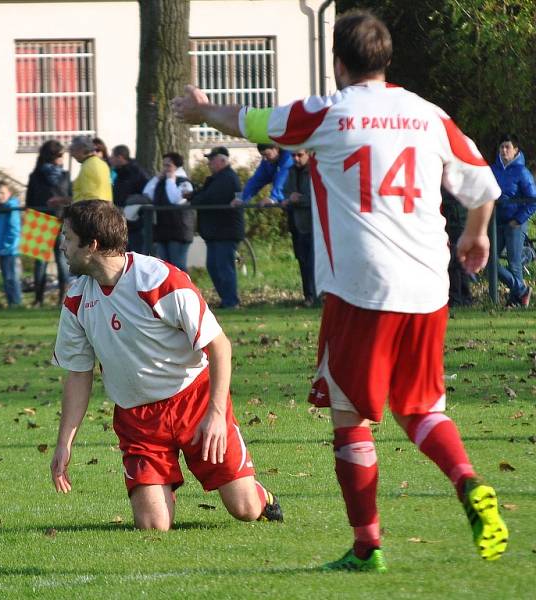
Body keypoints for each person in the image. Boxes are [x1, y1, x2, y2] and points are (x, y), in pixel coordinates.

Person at [173, 9, 507, 571]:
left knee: (350, 416)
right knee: (422, 407)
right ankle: (468, 480)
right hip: (428, 284)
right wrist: (476, 238)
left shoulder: (329, 112)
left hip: (362, 287)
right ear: (387, 59)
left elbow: (252, 123)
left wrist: (202, 109)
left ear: (339, 61)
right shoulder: (428, 115)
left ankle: (366, 546)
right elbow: (482, 185)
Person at [50, 199, 283, 531]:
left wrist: (216, 414)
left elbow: (219, 346)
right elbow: (78, 374)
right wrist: (64, 443)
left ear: (93, 245)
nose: (62, 245)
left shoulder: (158, 280)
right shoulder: (76, 299)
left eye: (68, 238)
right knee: (153, 525)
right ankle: (161, 494)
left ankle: (263, 497)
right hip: (138, 419)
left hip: (195, 403)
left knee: (245, 509)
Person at [190, 146, 243, 309]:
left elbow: (209, 198)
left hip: (225, 231)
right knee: (214, 266)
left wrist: (196, 198)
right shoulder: (217, 178)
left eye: (212, 160)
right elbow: (204, 196)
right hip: (216, 232)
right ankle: (226, 299)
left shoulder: (227, 179)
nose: (209, 164)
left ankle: (231, 301)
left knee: (223, 267)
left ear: (222, 161)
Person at [490, 134, 536, 307]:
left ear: (516, 150)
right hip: (496, 223)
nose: (503, 150)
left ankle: (516, 300)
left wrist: (518, 219)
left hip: (515, 225)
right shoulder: (493, 169)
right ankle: (522, 290)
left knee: (514, 264)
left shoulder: (522, 172)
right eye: (501, 147)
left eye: (507, 147)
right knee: (490, 262)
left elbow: (533, 200)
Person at [25, 140, 71, 306]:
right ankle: (51, 298)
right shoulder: (62, 176)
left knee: (51, 261)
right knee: (50, 261)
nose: (63, 158)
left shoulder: (38, 175)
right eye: (60, 155)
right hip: (50, 219)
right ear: (53, 156)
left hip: (49, 219)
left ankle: (49, 298)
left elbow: (30, 200)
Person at [142, 152, 195, 272]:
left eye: (168, 165)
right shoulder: (162, 182)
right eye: (164, 165)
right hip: (163, 230)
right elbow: (147, 192)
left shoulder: (184, 182)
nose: (165, 168)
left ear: (177, 166)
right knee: (166, 268)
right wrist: (157, 178)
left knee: (178, 267)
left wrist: (171, 180)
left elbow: (175, 199)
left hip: (179, 230)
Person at [282, 149, 316, 305]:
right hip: (297, 225)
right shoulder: (291, 172)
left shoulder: (315, 171)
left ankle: (317, 296)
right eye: (293, 155)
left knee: (314, 263)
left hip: (314, 226)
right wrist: (288, 200)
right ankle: (308, 296)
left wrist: (297, 199)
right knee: (303, 262)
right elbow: (287, 192)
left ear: (308, 154)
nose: (296, 158)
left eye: (299, 155)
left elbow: (316, 197)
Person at [49, 136, 112, 206]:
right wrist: (62, 200)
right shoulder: (101, 163)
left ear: (82, 150)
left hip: (93, 214)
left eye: (73, 149)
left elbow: (91, 199)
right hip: (103, 212)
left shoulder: (89, 166)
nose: (71, 154)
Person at [110, 145, 150, 253]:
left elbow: (146, 195)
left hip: (136, 223)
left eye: (112, 156)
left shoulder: (137, 172)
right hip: (123, 223)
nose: (110, 158)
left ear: (120, 157)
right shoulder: (120, 173)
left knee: (137, 255)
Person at [0, 181, 22, 307]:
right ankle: (12, 302)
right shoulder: (1, 209)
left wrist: (8, 246)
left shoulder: (10, 209)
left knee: (11, 277)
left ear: (9, 194)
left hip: (9, 250)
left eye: (2, 193)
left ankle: (15, 302)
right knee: (7, 277)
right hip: (3, 249)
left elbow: (14, 230)